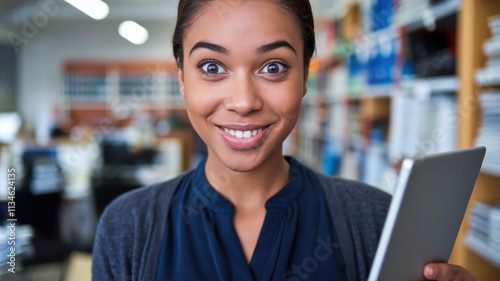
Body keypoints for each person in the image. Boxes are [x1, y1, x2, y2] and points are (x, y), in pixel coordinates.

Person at [92, 1, 476, 280]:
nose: (243, 102)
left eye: (273, 67)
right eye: (212, 67)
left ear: (305, 78)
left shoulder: (374, 219)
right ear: (181, 80)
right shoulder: (129, 227)